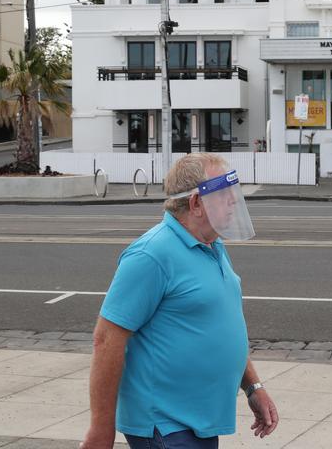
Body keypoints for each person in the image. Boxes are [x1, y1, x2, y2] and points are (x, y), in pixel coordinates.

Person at [80, 153, 278, 449]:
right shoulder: (151, 255)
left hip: (200, 420)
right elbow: (107, 339)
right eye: (225, 193)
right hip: (165, 424)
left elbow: (218, 325)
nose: (234, 201)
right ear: (197, 203)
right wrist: (100, 431)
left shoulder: (212, 245)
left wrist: (253, 386)